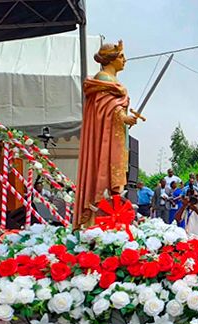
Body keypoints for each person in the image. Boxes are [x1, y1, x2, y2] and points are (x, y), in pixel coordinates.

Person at [75, 40, 138, 227]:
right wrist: (122, 116)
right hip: (104, 139)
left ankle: (113, 217)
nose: (124, 60)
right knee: (104, 172)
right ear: (110, 59)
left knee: (117, 177)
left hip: (116, 136)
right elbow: (105, 108)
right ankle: (97, 219)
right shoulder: (103, 79)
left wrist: (125, 119)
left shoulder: (114, 82)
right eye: (120, 56)